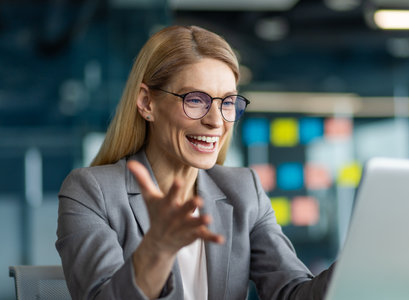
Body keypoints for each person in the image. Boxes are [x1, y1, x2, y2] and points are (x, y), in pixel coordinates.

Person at [56, 25, 334, 300]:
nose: (215, 121)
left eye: (227, 103)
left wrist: (363, 258)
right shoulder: (92, 192)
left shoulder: (244, 191)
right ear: (146, 103)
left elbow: (292, 293)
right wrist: (157, 252)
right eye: (196, 100)